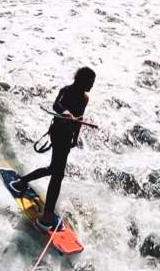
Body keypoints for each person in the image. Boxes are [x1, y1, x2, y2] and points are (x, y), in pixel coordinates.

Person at [11, 66, 96, 231]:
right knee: (58, 175)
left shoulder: (85, 98)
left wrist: (75, 138)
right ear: (82, 81)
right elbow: (56, 104)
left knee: (53, 170)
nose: (92, 86)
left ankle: (22, 181)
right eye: (90, 82)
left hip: (68, 138)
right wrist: (64, 112)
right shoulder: (67, 91)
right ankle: (47, 216)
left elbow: (80, 118)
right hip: (58, 134)